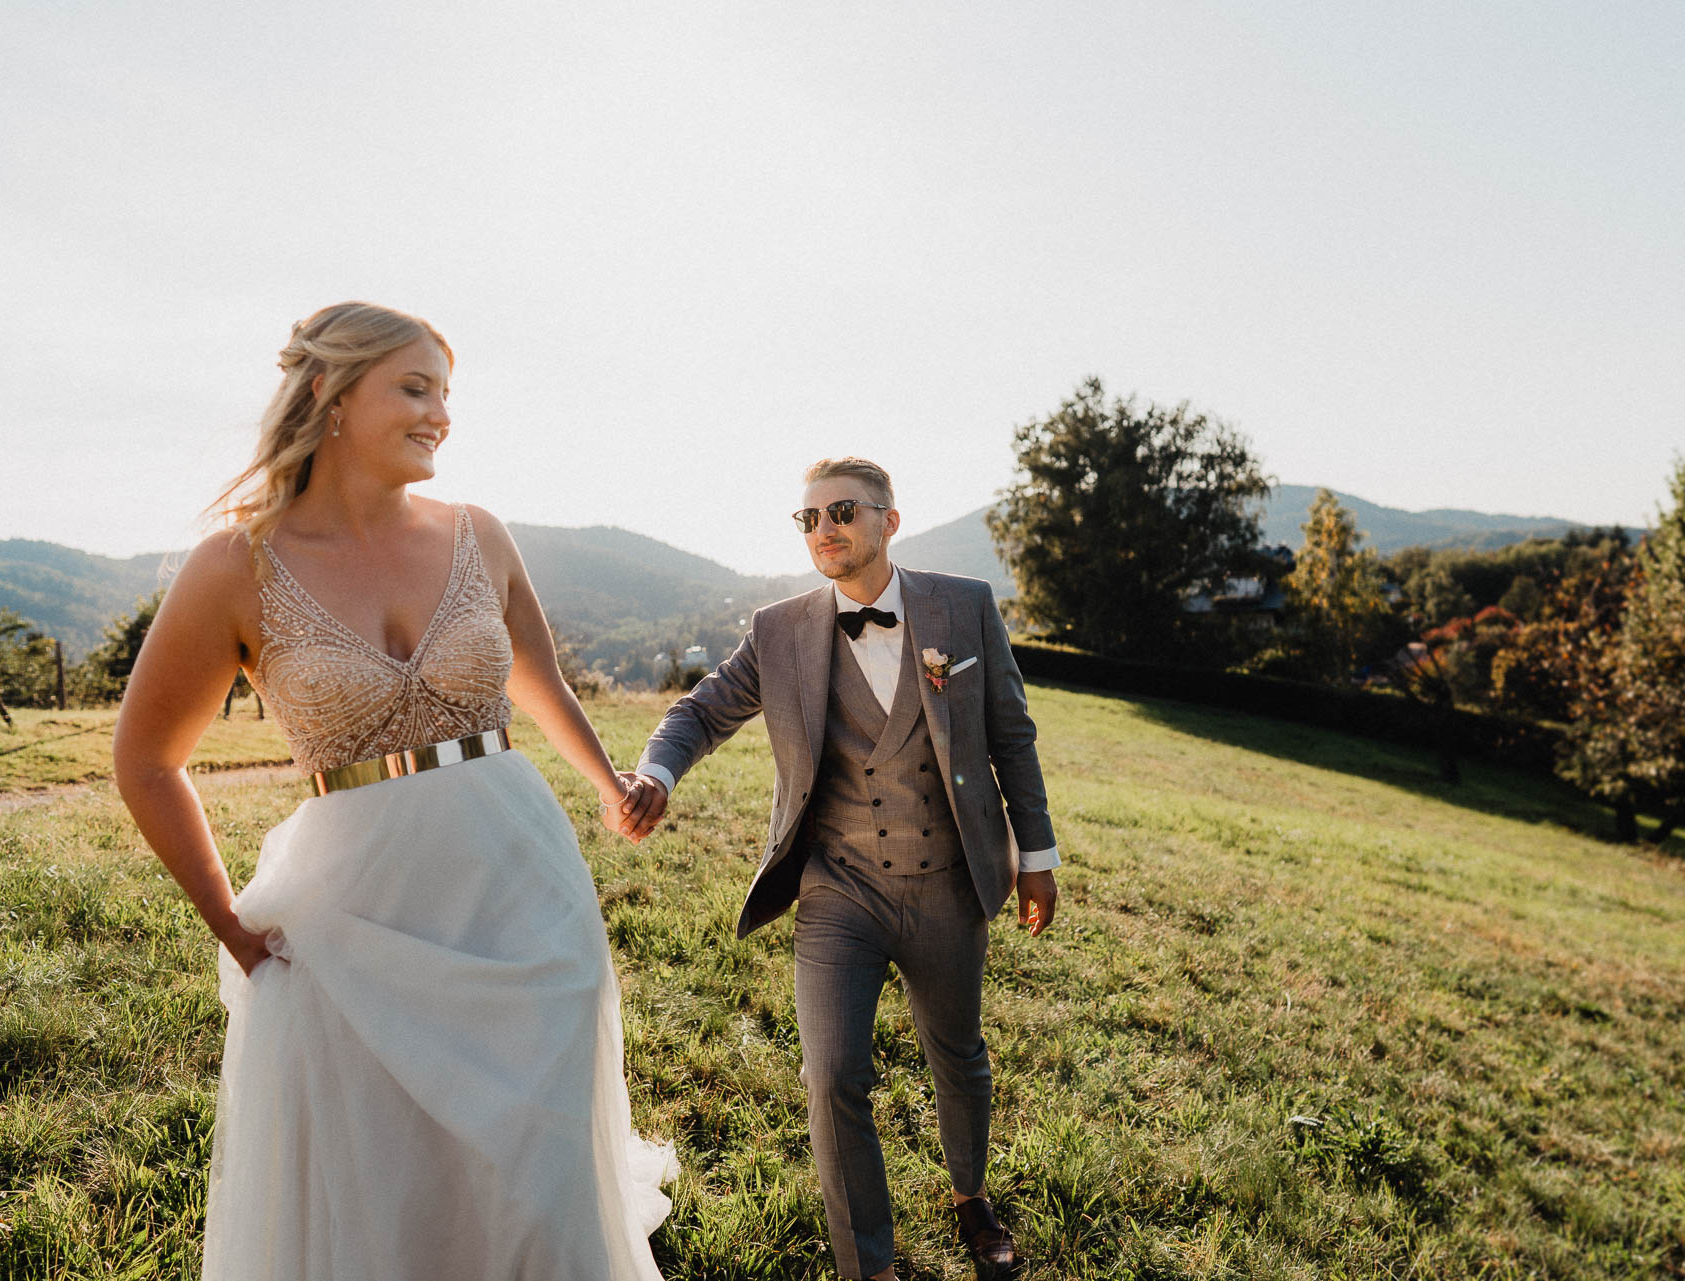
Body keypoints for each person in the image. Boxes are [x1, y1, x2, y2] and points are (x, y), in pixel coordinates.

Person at [112, 301, 675, 1280]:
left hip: (520, 876)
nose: (441, 414)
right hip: (355, 907)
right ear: (330, 392)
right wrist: (228, 924)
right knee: (379, 1175)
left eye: (447, 394)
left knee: (543, 1162)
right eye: (415, 388)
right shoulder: (235, 566)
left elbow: (541, 681)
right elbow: (147, 760)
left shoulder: (480, 534)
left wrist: (611, 781)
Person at [618, 456, 1059, 1280]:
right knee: (829, 1077)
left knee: (957, 1052)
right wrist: (657, 773)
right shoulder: (779, 629)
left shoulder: (963, 608)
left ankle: (970, 1193)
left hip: (948, 880)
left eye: (842, 512)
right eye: (809, 518)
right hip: (837, 889)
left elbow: (1012, 735)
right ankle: (871, 1265)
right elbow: (701, 710)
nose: (824, 529)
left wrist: (1036, 856)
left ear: (889, 521)